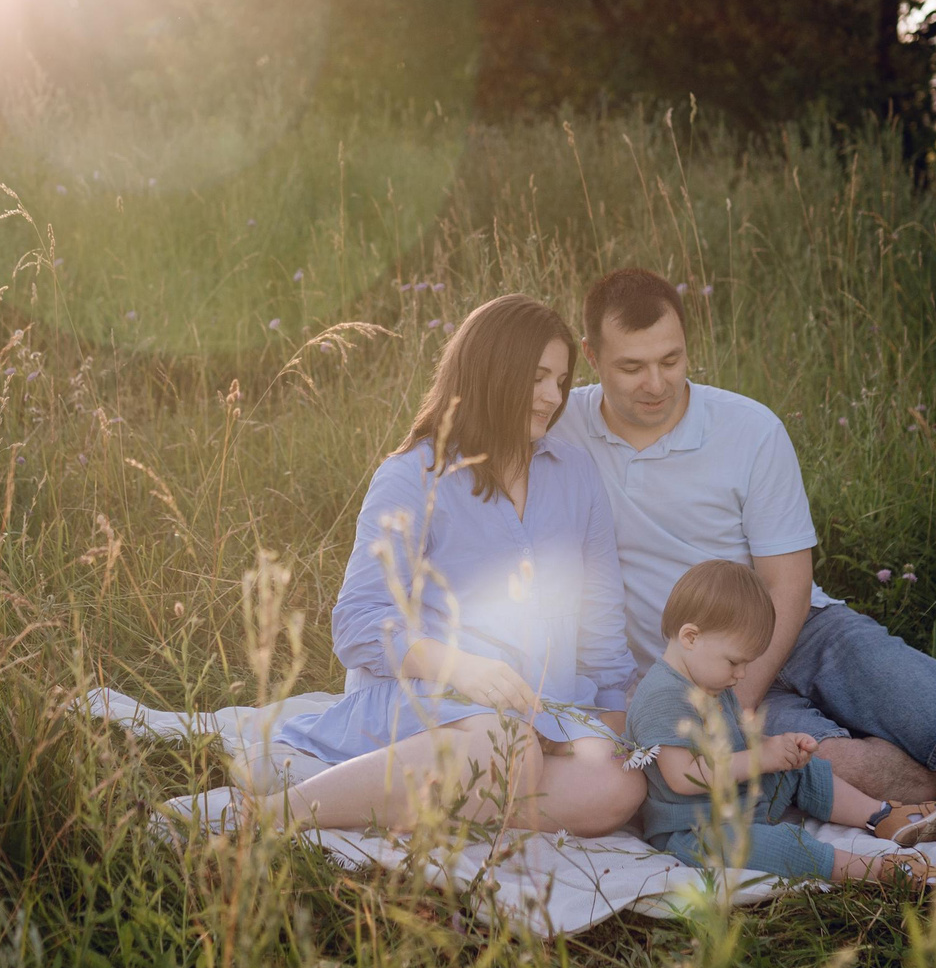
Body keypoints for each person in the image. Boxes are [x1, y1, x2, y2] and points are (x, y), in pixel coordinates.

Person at [188, 294, 645, 835]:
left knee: (617, 786)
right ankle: (280, 813)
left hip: (540, 714)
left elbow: (600, 624)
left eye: (562, 381)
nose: (553, 396)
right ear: (491, 372)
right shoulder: (414, 475)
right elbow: (359, 622)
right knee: (506, 750)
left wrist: (601, 731)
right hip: (425, 699)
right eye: (538, 377)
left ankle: (440, 798)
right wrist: (464, 669)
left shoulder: (576, 475)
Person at [557, 267, 936, 805]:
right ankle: (884, 745)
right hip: (692, 669)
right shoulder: (560, 426)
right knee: (858, 772)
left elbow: (787, 583)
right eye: (632, 367)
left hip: (800, 628)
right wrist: (721, 706)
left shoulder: (750, 429)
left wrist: (737, 702)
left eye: (670, 360)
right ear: (591, 355)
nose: (655, 384)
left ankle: (922, 720)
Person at [629, 560, 936, 887]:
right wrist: (759, 759)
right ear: (691, 637)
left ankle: (882, 816)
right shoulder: (663, 696)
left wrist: (773, 747)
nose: (742, 674)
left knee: (801, 768)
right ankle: (878, 870)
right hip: (696, 829)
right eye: (734, 661)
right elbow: (684, 777)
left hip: (738, 800)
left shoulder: (710, 681)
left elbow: (735, 741)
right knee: (781, 846)